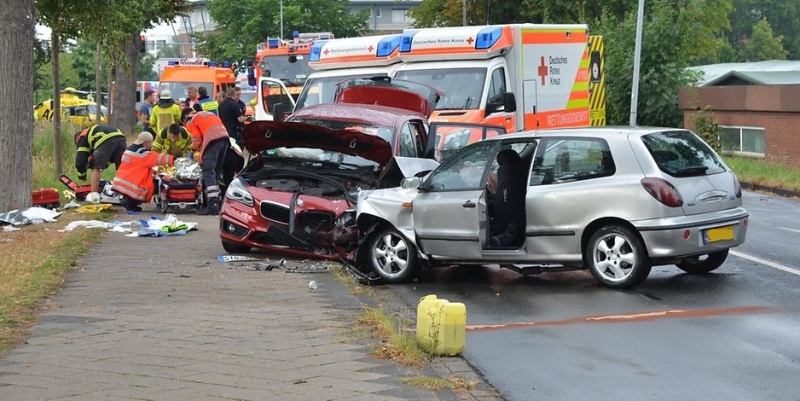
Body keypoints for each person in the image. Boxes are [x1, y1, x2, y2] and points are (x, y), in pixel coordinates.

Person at [111, 132, 175, 213]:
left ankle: (129, 202)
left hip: (120, 183)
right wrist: (174, 159)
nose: (152, 144)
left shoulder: (128, 150)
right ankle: (129, 202)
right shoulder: (143, 154)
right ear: (146, 143)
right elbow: (158, 158)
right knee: (155, 185)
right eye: (151, 142)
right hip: (131, 187)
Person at [185, 111, 230, 215]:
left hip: (212, 140)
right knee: (216, 172)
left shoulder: (192, 121)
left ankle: (212, 206)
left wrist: (192, 151)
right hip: (224, 139)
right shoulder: (206, 115)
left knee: (208, 171)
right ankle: (217, 204)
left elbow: (197, 139)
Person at [74, 125, 128, 203]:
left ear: (77, 139)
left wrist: (82, 175)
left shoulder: (82, 137)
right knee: (122, 167)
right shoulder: (95, 132)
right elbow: (110, 158)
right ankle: (124, 194)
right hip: (120, 137)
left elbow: (80, 160)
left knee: (95, 167)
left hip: (105, 138)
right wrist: (102, 164)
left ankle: (94, 197)